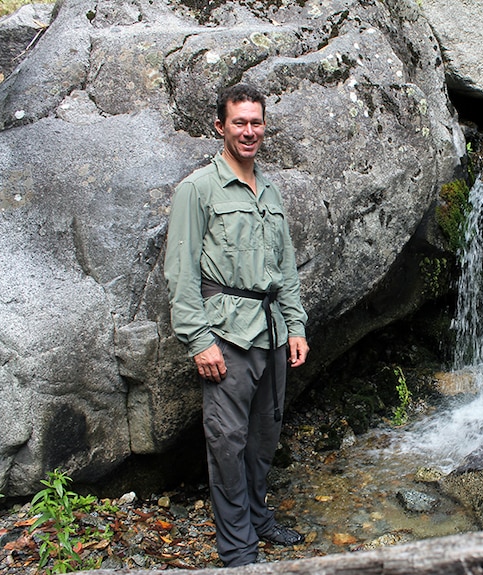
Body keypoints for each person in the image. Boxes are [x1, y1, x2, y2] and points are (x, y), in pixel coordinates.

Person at [164, 83, 309, 567]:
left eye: (256, 122)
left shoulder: (269, 190)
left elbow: (285, 268)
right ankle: (240, 551)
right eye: (239, 122)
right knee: (228, 443)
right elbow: (180, 270)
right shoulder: (198, 189)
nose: (249, 131)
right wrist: (198, 340)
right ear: (220, 126)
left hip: (271, 332)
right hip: (226, 334)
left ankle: (260, 521)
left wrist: (296, 325)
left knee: (265, 436)